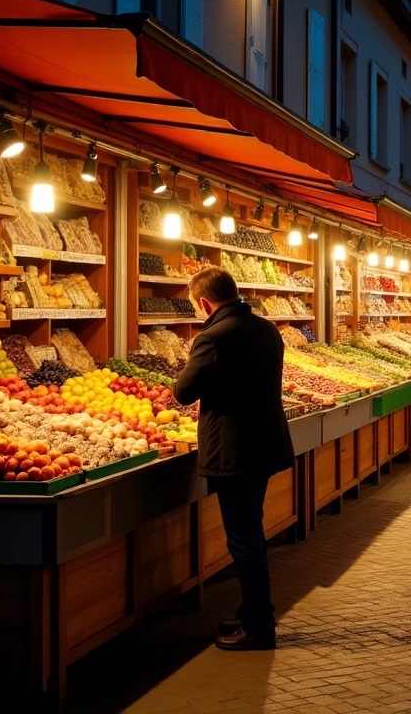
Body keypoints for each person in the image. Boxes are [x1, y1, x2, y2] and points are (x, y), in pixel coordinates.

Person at [173, 267, 293, 651]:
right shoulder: (268, 330)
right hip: (265, 445)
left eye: (196, 306)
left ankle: (259, 626)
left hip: (233, 452)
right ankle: (252, 612)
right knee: (252, 532)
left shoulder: (212, 337)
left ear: (204, 302)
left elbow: (183, 392)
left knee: (243, 539)